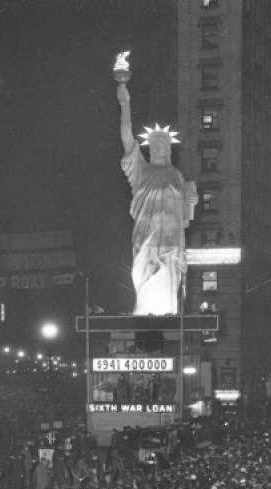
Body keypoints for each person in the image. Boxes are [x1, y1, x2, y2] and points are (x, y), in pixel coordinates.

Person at [116, 74, 197, 316]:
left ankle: (167, 316)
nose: (159, 148)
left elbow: (185, 218)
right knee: (144, 281)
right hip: (145, 237)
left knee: (168, 290)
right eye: (154, 144)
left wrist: (190, 202)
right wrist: (125, 104)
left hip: (171, 241)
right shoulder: (141, 169)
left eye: (164, 144)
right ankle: (143, 313)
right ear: (149, 148)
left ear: (169, 149)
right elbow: (127, 136)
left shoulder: (177, 176)